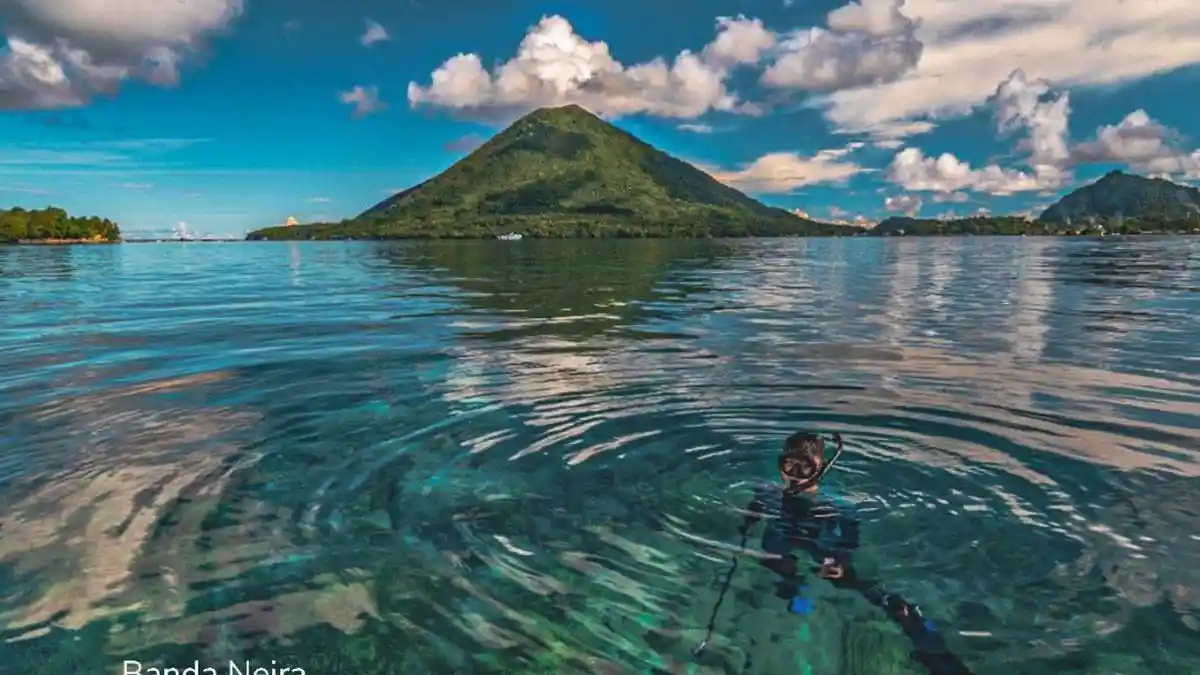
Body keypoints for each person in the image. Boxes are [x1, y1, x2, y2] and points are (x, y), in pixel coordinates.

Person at [738, 431, 974, 675]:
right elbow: (753, 513)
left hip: (823, 544)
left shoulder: (838, 506)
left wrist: (840, 560)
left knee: (855, 583)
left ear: (821, 468)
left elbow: (849, 538)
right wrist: (748, 521)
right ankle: (794, 591)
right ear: (781, 465)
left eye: (805, 468)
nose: (795, 477)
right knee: (775, 563)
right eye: (789, 465)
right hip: (783, 537)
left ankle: (929, 645)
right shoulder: (767, 491)